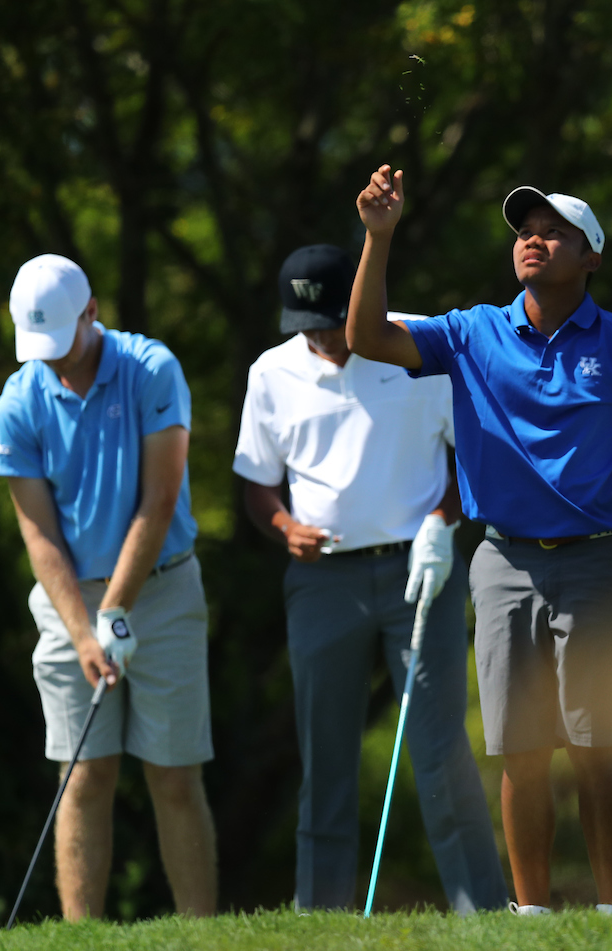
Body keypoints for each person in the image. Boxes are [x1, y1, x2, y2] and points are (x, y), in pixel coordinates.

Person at [346, 168, 612, 914]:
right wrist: (378, 239)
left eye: (553, 233)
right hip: (502, 560)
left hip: (598, 557)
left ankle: (611, 914)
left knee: (594, 746)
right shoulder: (472, 331)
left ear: (590, 257)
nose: (532, 241)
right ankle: (533, 915)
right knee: (521, 750)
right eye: (525, 232)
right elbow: (366, 338)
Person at [232, 244, 508, 914]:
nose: (323, 338)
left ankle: (481, 913)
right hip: (323, 582)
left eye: (333, 321)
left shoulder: (419, 348)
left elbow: (474, 457)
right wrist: (283, 527)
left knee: (439, 749)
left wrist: (442, 522)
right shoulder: (271, 372)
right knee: (325, 755)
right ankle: (322, 917)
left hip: (423, 571)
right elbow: (258, 483)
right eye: (309, 326)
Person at [0, 254, 217, 919]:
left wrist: (115, 610)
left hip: (163, 590)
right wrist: (85, 632)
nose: (51, 358)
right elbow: (39, 535)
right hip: (69, 601)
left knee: (174, 776)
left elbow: (160, 497)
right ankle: (81, 936)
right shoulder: (19, 401)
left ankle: (203, 935)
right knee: (83, 774)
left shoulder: (152, 370)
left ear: (92, 312)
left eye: (61, 340)